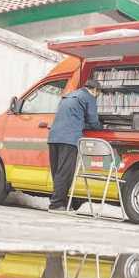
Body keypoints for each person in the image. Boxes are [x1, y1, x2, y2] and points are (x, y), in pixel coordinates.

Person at [47, 79, 103, 211]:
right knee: (65, 173)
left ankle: (61, 202)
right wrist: (101, 126)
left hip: (54, 137)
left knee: (57, 172)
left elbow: (72, 117)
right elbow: (94, 121)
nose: (97, 96)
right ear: (95, 90)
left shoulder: (70, 95)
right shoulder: (88, 97)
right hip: (69, 138)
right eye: (98, 93)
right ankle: (57, 204)